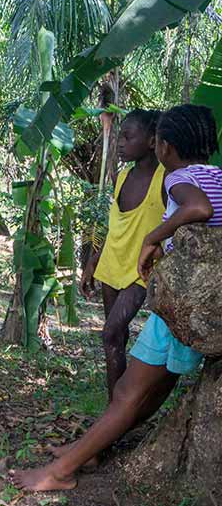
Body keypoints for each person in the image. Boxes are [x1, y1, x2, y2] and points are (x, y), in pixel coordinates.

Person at [14, 104, 222, 491]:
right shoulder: (217, 176)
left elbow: (198, 208)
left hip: (182, 307)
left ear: (163, 147)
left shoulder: (180, 178)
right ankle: (91, 449)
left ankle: (60, 473)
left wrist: (152, 238)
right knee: (156, 386)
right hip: (203, 307)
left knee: (128, 389)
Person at [80, 110, 164, 399]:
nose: (120, 143)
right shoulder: (122, 177)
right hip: (113, 263)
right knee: (117, 337)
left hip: (140, 270)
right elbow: (116, 224)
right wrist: (95, 259)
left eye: (128, 137)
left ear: (152, 141)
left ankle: (118, 409)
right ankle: (113, 405)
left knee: (111, 333)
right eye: (119, 136)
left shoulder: (167, 179)